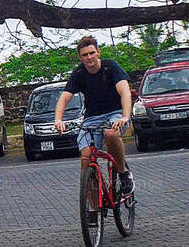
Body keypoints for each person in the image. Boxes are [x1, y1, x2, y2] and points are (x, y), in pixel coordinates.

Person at [55, 35, 134, 194]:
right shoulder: (78, 73)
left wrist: (125, 116)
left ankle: (123, 173)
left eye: (91, 53)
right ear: (80, 57)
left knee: (111, 133)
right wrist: (58, 120)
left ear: (98, 52)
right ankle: (91, 209)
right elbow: (64, 98)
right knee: (86, 157)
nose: (89, 57)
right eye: (85, 55)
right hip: (92, 118)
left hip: (115, 113)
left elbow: (124, 91)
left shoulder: (111, 67)